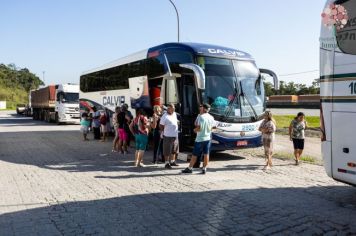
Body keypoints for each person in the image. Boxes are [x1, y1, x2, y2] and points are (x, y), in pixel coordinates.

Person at [182, 104, 215, 174]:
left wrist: (194, 130)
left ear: (204, 108)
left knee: (195, 154)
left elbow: (199, 128)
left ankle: (190, 168)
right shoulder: (211, 117)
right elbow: (213, 128)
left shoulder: (201, 117)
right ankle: (204, 168)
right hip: (208, 138)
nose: (200, 108)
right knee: (206, 154)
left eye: (202, 107)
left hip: (200, 138)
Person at [160, 103, 179, 169]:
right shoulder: (164, 116)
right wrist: (163, 132)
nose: (174, 109)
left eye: (174, 108)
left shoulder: (174, 114)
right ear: (168, 108)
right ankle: (166, 163)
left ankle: (172, 161)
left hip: (175, 135)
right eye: (172, 108)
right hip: (167, 135)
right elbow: (161, 125)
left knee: (174, 149)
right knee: (167, 150)